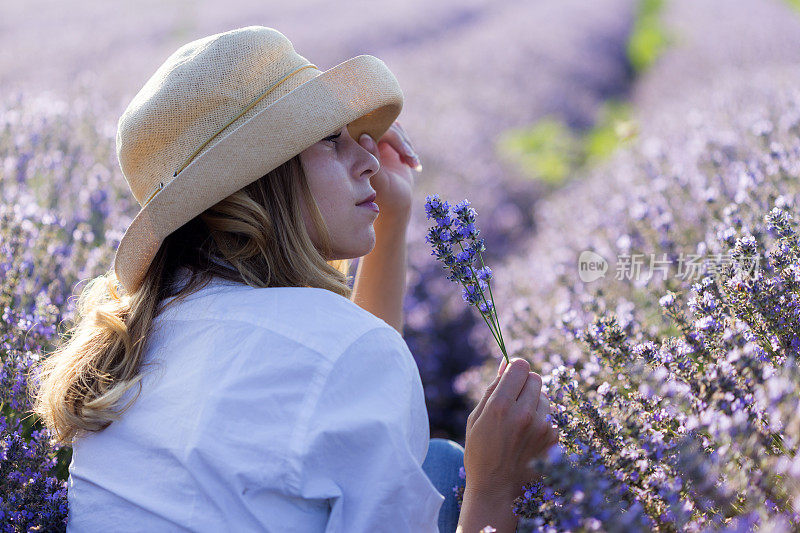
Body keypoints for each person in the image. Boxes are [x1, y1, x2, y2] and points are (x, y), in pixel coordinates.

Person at [30, 26, 558, 533]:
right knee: (453, 468)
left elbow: (341, 388)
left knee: (434, 463)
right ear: (260, 180)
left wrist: (390, 219)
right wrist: (494, 487)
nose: (370, 158)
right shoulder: (345, 350)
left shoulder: (140, 335)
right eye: (332, 140)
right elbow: (344, 365)